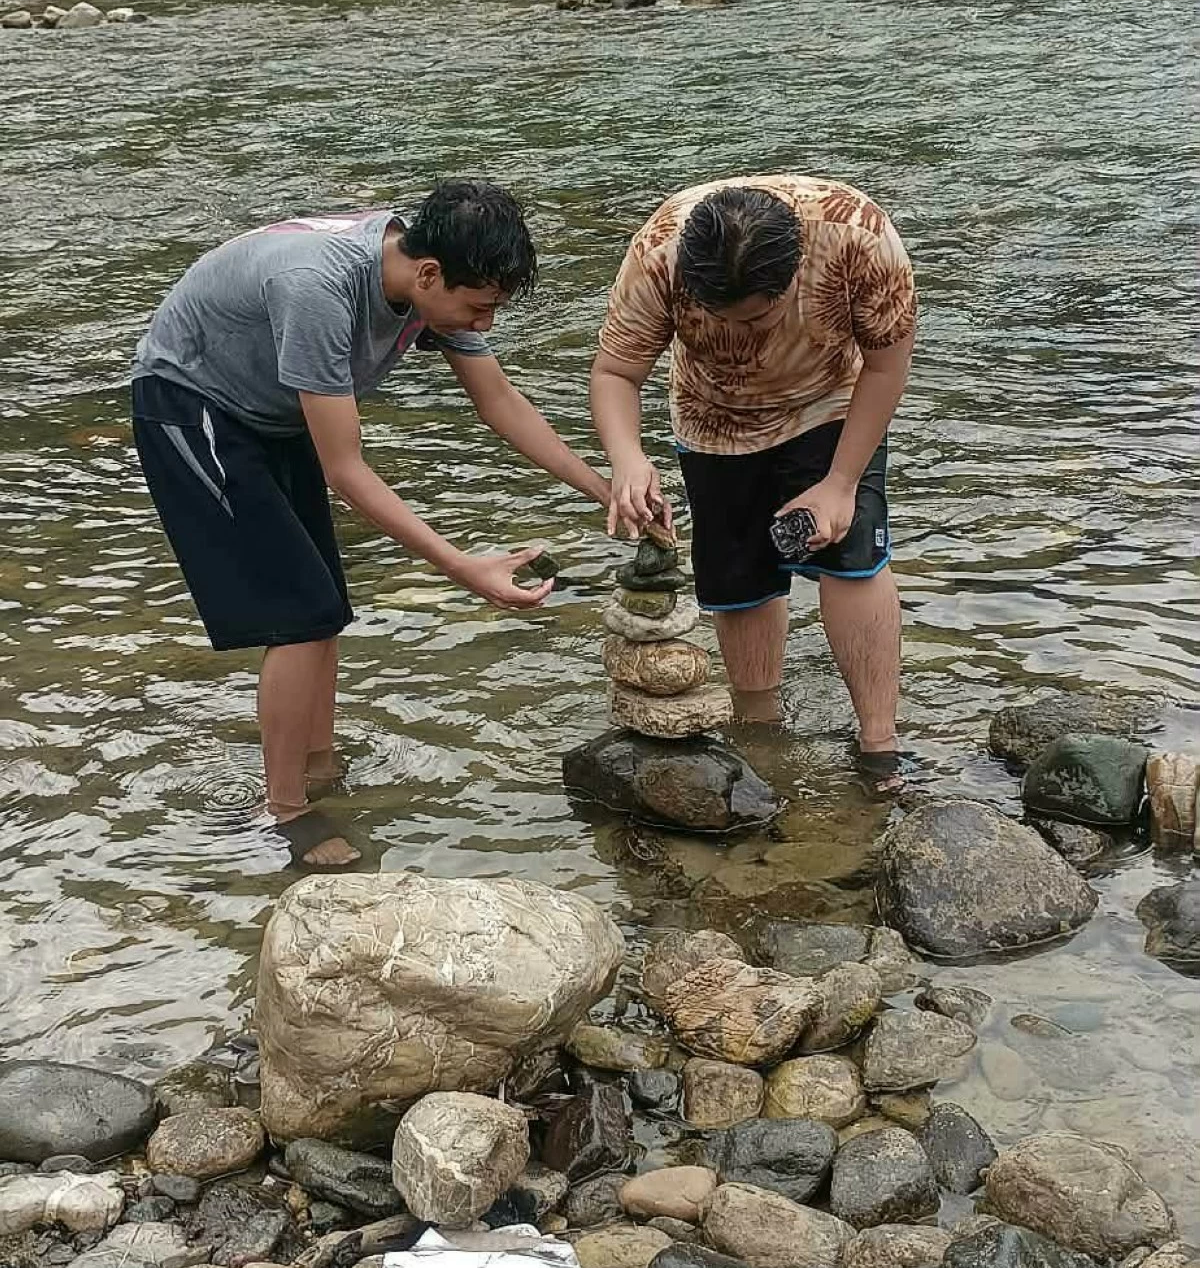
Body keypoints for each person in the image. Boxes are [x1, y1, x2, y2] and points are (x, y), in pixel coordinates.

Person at [132, 181, 610, 865]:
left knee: (324, 607)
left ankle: (321, 767)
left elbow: (500, 401)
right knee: (297, 613)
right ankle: (285, 810)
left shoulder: (426, 283)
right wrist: (462, 566)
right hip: (192, 404)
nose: (484, 324)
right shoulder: (319, 289)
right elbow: (347, 470)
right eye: (479, 308)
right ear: (428, 273)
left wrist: (602, 488)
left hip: (273, 408)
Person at [589, 174, 917, 784]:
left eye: (757, 315)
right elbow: (615, 372)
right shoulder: (659, 251)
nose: (741, 331)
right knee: (739, 574)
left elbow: (887, 361)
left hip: (833, 401)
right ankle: (760, 731)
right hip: (714, 417)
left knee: (851, 557)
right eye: (721, 315)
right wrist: (628, 458)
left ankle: (879, 744)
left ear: (793, 273)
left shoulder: (858, 237)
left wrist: (842, 481)